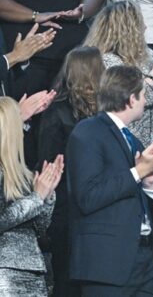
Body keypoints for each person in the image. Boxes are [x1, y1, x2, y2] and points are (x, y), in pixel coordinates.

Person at [67, 65, 153, 296]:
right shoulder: (87, 132)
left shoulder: (132, 140)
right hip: (107, 264)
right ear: (131, 99)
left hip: (145, 261)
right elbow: (88, 196)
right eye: (143, 95)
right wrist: (138, 172)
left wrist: (148, 182)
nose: (146, 102)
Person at [37, 45, 103, 297]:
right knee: (68, 278)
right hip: (68, 209)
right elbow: (47, 164)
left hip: (81, 207)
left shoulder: (102, 111)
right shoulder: (58, 112)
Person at [83, 0, 153, 144]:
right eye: (140, 23)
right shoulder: (107, 61)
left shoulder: (148, 55)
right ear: (128, 30)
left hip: (152, 139)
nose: (145, 27)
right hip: (123, 140)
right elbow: (134, 97)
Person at [0, 97, 63, 296]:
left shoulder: (22, 174)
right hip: (6, 275)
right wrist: (37, 197)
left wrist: (47, 196)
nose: (23, 129)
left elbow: (38, 228)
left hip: (33, 268)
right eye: (20, 122)